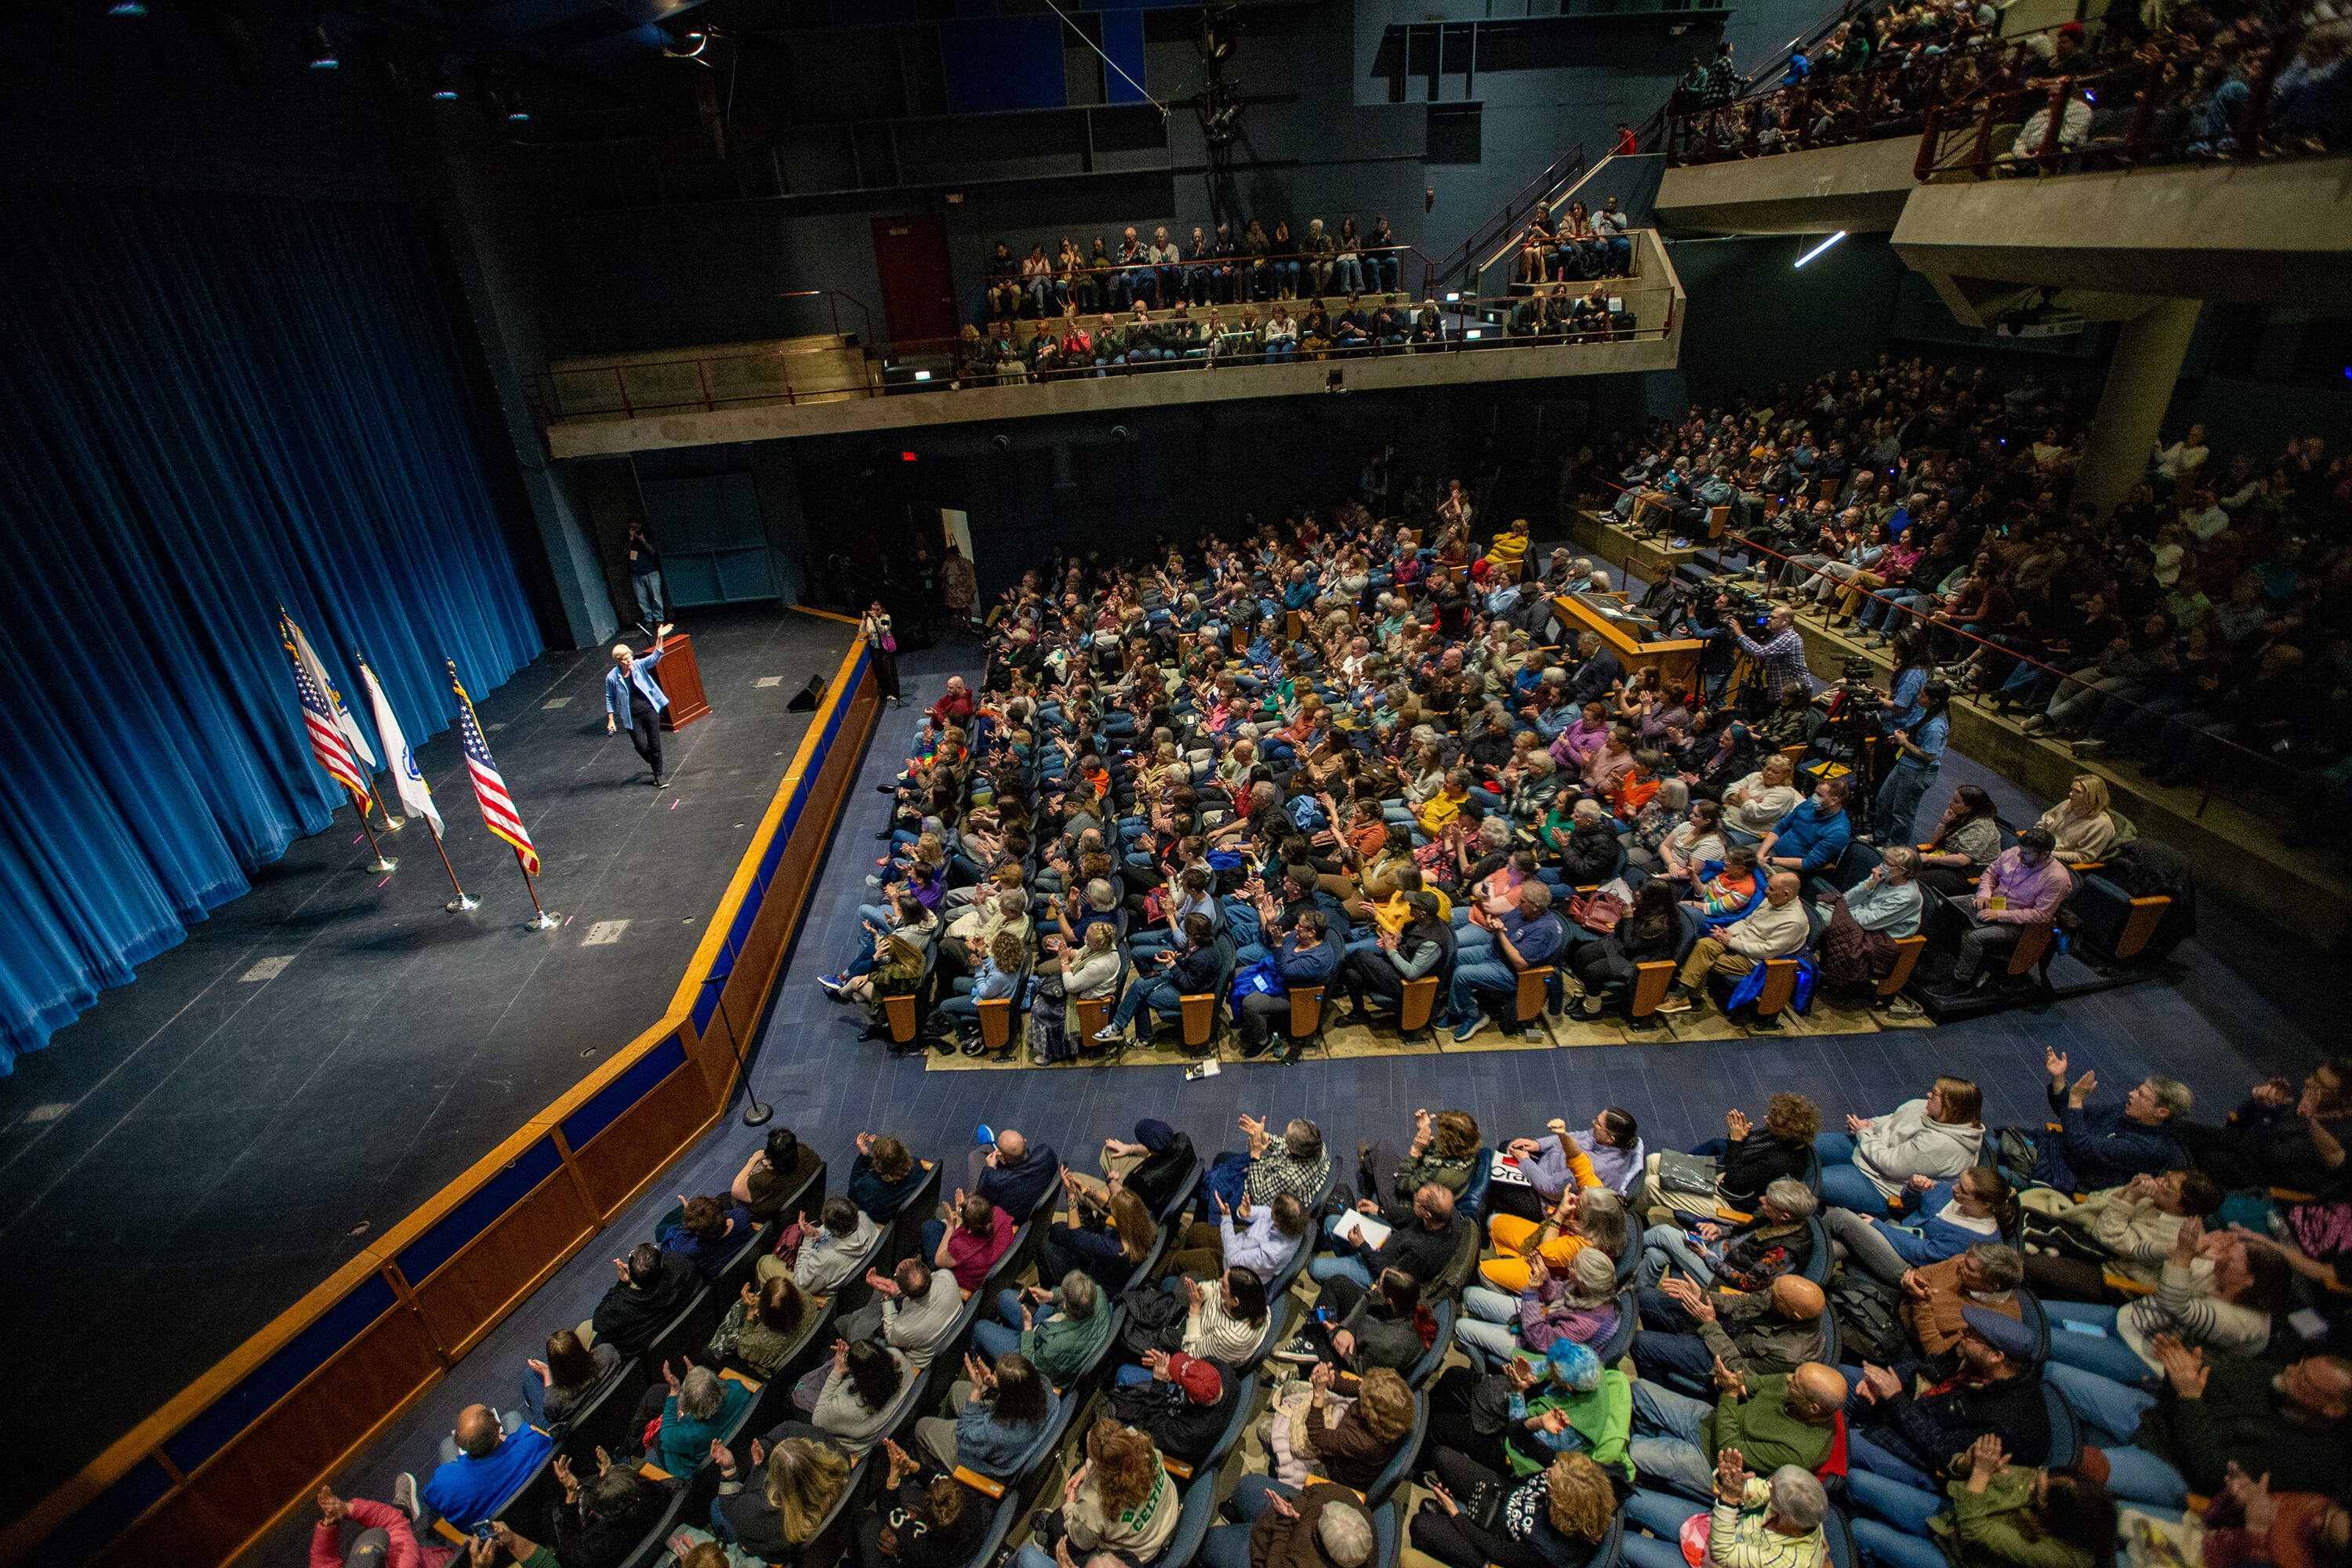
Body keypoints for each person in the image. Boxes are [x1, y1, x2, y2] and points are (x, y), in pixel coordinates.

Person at [1845, 1434, 2116, 1568]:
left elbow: (1974, 1530)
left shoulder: (2059, 1556)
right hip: (1951, 1520)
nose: (2032, 1483)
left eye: (2037, 1492)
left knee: (1861, 1532)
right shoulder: (2048, 1483)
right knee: (1857, 1481)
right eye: (2040, 1477)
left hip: (1962, 1560)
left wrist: (1981, 1474)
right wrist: (1966, 1464)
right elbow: (1959, 1483)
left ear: (2050, 1514)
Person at [1624, 1356, 1848, 1500]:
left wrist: (1730, 1394)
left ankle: (1648, 1471)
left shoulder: (1801, 1452)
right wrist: (1733, 1380)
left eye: (1794, 1384)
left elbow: (1729, 1448)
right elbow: (1756, 1384)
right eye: (1795, 1373)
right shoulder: (1800, 1384)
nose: (1788, 1378)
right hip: (1714, 1419)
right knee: (1640, 1390)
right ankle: (1650, 1443)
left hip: (1714, 1463)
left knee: (1634, 1451)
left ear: (1812, 1408)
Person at [1411, 1450, 1622, 1568]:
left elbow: (1496, 1549)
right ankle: (1454, 1517)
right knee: (1441, 1456)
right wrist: (1536, 1422)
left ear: (1559, 1504)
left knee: (1421, 1525)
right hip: (1503, 1494)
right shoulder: (1570, 1474)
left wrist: (1456, 1516)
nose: (1547, 1471)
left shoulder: (1550, 1552)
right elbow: (1524, 1441)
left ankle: (1451, 1522)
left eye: (1550, 1479)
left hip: (1496, 1540)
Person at [1814, 1076, 1985, 1217]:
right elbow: (1892, 1120)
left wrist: (1865, 1134)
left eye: (1935, 1094)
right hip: (1869, 1149)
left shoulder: (1943, 1145)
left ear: (1951, 1107)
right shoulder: (1925, 1108)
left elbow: (1889, 1165)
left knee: (1815, 1180)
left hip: (1881, 1185)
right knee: (1812, 1144)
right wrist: (1868, 1125)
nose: (1928, 1095)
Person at [1634, 1271, 1828, 1394]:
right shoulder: (1781, 1295)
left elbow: (1738, 1372)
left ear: (1795, 1315)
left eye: (1775, 1295)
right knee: (1644, 1297)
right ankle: (1666, 1356)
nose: (1769, 1293)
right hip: (1718, 1327)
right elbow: (1743, 1301)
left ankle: (1655, 1396)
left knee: (1640, 1343)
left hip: (1720, 1359)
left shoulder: (1791, 1354)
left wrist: (1710, 1325)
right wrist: (1703, 1296)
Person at [2028, 1046, 2189, 1192]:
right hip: (2045, 1148)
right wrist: (2059, 1078)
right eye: (2137, 1089)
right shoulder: (2125, 1111)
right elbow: (2070, 1114)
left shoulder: (2148, 1149)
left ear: (2161, 1112)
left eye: (2141, 1095)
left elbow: (2081, 1147)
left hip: (2057, 1174)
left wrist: (2076, 1098)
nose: (2131, 1094)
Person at [1826, 1166, 2020, 1287]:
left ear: (1984, 1204)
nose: (1954, 1187)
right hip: (1898, 1233)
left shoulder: (1975, 1239)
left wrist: (1880, 1227)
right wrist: (1914, 1190)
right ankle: (1810, 1259)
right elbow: (1909, 1207)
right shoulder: (1954, 1195)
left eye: (1963, 1189)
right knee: (1844, 1246)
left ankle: (1810, 1236)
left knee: (1842, 1217)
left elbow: (1921, 1253)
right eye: (1959, 1182)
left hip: (1909, 1269)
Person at [1621, 1459, 1829, 1568]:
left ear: (1786, 1514)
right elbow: (1749, 1490)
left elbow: (1722, 1553)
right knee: (1630, 1499)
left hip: (1715, 1558)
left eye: (1772, 1490)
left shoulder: (1789, 1561)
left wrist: (1729, 1501)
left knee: (1623, 1544)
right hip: (1716, 1525)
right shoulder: (1795, 1502)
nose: (1768, 1486)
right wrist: (1727, 1480)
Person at [1656, 871, 1807, 1014]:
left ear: (1786, 894)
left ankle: (1688, 998)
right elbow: (1747, 921)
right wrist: (1727, 933)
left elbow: (1767, 951)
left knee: (1700, 960)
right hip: (1737, 942)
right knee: (1703, 944)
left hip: (1753, 960)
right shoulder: (1773, 900)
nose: (1766, 891)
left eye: (1772, 889)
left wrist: (1731, 941)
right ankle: (1686, 996)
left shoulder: (1793, 922)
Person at [1947, 827, 2071, 988]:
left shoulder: (2056, 879)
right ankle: (1947, 961)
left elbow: (2041, 915)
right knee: (1946, 907)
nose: (2019, 855)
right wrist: (1984, 894)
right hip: (1991, 903)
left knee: (1973, 936)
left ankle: (1961, 980)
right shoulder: (2014, 852)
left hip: (2017, 924)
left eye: (2026, 853)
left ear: (2045, 854)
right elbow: (1990, 874)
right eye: (2020, 850)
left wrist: (2000, 915)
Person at [409, 1403, 554, 1533]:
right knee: (512, 1416)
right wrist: (506, 1440)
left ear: (461, 1445)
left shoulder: (444, 1481)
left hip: (493, 1536)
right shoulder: (533, 1443)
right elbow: (548, 1443)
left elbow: (432, 1502)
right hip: (543, 1510)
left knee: (446, 1445)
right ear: (498, 1426)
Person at [913, 1349, 1057, 1478]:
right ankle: (943, 1451)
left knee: (922, 1426)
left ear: (1008, 1396)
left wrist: (976, 1390)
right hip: (1015, 1441)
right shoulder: (1043, 1385)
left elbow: (964, 1438)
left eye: (996, 1376)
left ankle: (933, 1475)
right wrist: (995, 1384)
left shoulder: (997, 1431)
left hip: (983, 1458)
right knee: (957, 1389)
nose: (993, 1375)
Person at [708, 1434, 851, 1563]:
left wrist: (728, 1468)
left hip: (778, 1555)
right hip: (829, 1544)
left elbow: (728, 1507)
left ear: (776, 1481)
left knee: (716, 1506)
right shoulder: (837, 1470)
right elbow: (789, 1428)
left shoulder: (769, 1515)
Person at [1203, 1477, 1379, 1568]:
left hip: (1269, 1546)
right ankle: (1239, 1516)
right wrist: (1293, 1510)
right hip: (1286, 1511)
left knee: (1208, 1541)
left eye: (1323, 1515)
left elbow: (1273, 1564)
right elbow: (1315, 1491)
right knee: (1245, 1486)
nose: (1324, 1506)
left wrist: (1285, 1520)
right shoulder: (1347, 1502)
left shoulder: (1310, 1563)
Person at [584, 1242, 697, 1357]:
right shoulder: (682, 1264)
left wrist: (621, 1284)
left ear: (632, 1277)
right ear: (661, 1264)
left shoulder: (620, 1307)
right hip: (693, 1334)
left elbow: (597, 1323)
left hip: (655, 1356)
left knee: (583, 1329)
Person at [603, 622, 677, 789]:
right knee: (641, 746)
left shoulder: (638, 665)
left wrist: (659, 638)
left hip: (649, 710)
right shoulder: (612, 677)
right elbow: (610, 697)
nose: (629, 661)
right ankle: (654, 761)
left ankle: (658, 775)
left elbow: (655, 657)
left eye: (630, 657)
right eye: (625, 659)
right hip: (631, 716)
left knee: (655, 744)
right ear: (618, 661)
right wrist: (611, 719)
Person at [519, 1327, 620, 1428]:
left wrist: (546, 1373)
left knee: (530, 1375)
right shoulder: (608, 1353)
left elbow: (550, 1418)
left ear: (557, 1371)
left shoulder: (555, 1401)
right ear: (580, 1347)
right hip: (615, 1411)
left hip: (582, 1428)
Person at [624, 519, 665, 633]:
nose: (634, 530)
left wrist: (643, 540)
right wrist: (631, 539)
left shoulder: (647, 536)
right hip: (636, 574)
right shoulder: (628, 540)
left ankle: (659, 618)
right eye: (632, 528)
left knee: (656, 596)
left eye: (636, 528)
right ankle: (648, 619)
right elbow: (625, 552)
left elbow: (653, 551)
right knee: (641, 598)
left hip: (651, 571)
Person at [861, 599, 901, 707]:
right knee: (879, 671)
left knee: (889, 670)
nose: (874, 611)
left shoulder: (886, 618)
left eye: (877, 610)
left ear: (882, 609)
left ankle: (894, 692)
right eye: (872, 609)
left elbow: (884, 630)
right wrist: (864, 620)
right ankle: (886, 693)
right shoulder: (869, 619)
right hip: (875, 647)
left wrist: (876, 619)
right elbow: (862, 631)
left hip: (885, 647)